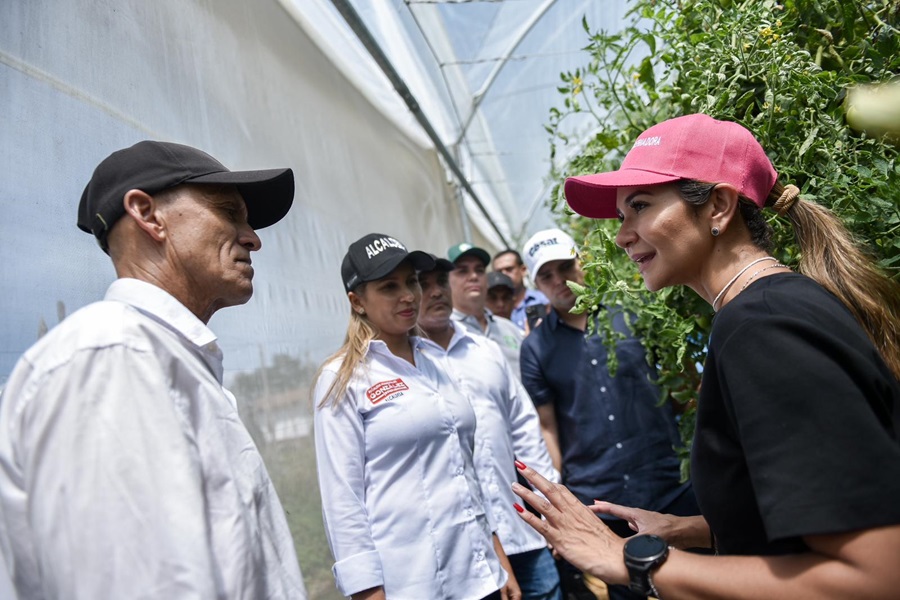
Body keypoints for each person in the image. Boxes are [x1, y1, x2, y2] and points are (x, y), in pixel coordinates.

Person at [512, 113, 900, 599]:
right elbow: (801, 522)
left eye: (640, 206)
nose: (621, 234)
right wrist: (690, 529)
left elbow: (876, 576)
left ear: (718, 206)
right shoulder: (764, 313)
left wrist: (630, 560)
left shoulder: (764, 328)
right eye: (620, 216)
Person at [0, 141, 307, 598]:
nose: (252, 237)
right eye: (229, 212)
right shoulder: (114, 358)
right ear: (148, 214)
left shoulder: (160, 358)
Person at [313, 233, 520, 600]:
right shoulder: (344, 377)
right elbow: (343, 502)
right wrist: (367, 591)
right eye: (389, 286)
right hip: (412, 585)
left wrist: (497, 557)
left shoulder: (436, 361)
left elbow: (465, 471)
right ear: (357, 301)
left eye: (411, 281)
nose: (408, 295)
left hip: (480, 576)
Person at [518, 228, 699, 600]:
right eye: (545, 276)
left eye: (564, 266)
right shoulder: (535, 348)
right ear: (534, 282)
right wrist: (561, 503)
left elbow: (685, 388)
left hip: (669, 487)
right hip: (600, 503)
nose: (558, 281)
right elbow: (549, 429)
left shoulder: (635, 310)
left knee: (696, 585)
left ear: (581, 261)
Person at [417, 254, 562, 600]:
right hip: (463, 548)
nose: (435, 292)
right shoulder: (407, 365)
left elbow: (525, 431)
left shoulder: (485, 350)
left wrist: (551, 507)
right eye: (423, 285)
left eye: (440, 282)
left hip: (521, 527)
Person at [448, 242, 525, 375]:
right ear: (447, 280)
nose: (473, 276)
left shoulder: (509, 328)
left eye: (479, 270)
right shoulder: (444, 331)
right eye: (463, 271)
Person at [492, 249, 549, 330]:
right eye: (499, 272)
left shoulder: (545, 301)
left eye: (509, 269)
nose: (504, 275)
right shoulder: (489, 310)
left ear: (523, 270)